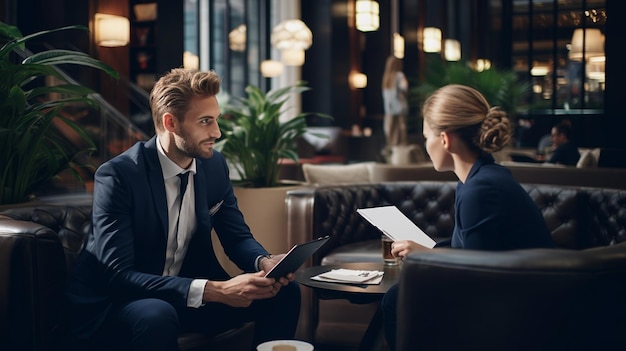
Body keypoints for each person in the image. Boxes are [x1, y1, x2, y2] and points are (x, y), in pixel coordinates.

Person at [65, 68, 300, 350]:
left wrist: (263, 262)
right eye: (205, 121)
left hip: (183, 297)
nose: (217, 132)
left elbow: (236, 237)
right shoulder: (119, 176)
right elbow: (118, 275)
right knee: (156, 314)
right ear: (170, 122)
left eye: (216, 120)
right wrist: (215, 290)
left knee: (285, 292)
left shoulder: (213, 166)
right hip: (120, 302)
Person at [380, 84, 554, 350]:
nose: (426, 145)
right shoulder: (476, 180)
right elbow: (471, 252)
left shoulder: (481, 188)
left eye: (427, 137)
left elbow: (473, 273)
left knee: (397, 298)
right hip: (510, 291)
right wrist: (428, 251)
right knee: (397, 297)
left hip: (520, 303)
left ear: (445, 139)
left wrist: (426, 256)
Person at [381, 55, 410, 160]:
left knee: (390, 130)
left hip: (389, 108)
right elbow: (404, 87)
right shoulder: (399, 76)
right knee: (401, 128)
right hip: (399, 106)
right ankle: (402, 151)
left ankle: (392, 150)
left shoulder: (386, 78)